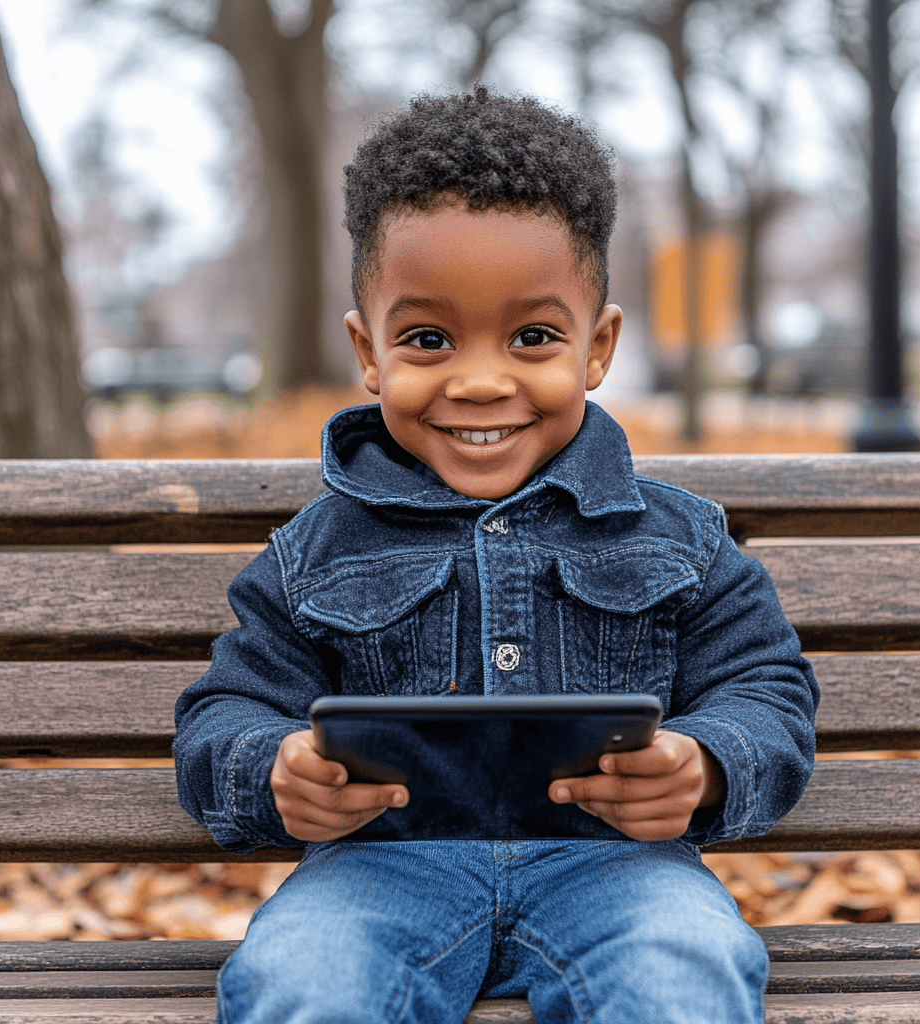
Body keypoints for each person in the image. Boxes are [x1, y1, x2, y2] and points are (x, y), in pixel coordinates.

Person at [174, 86, 819, 1024]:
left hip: (618, 868)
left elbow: (766, 689)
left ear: (597, 348)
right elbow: (224, 709)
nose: (481, 380)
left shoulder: (680, 538)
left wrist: (705, 762)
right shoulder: (313, 552)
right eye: (428, 339)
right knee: (302, 982)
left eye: (533, 337)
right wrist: (272, 768)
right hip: (378, 871)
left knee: (682, 971)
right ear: (369, 351)